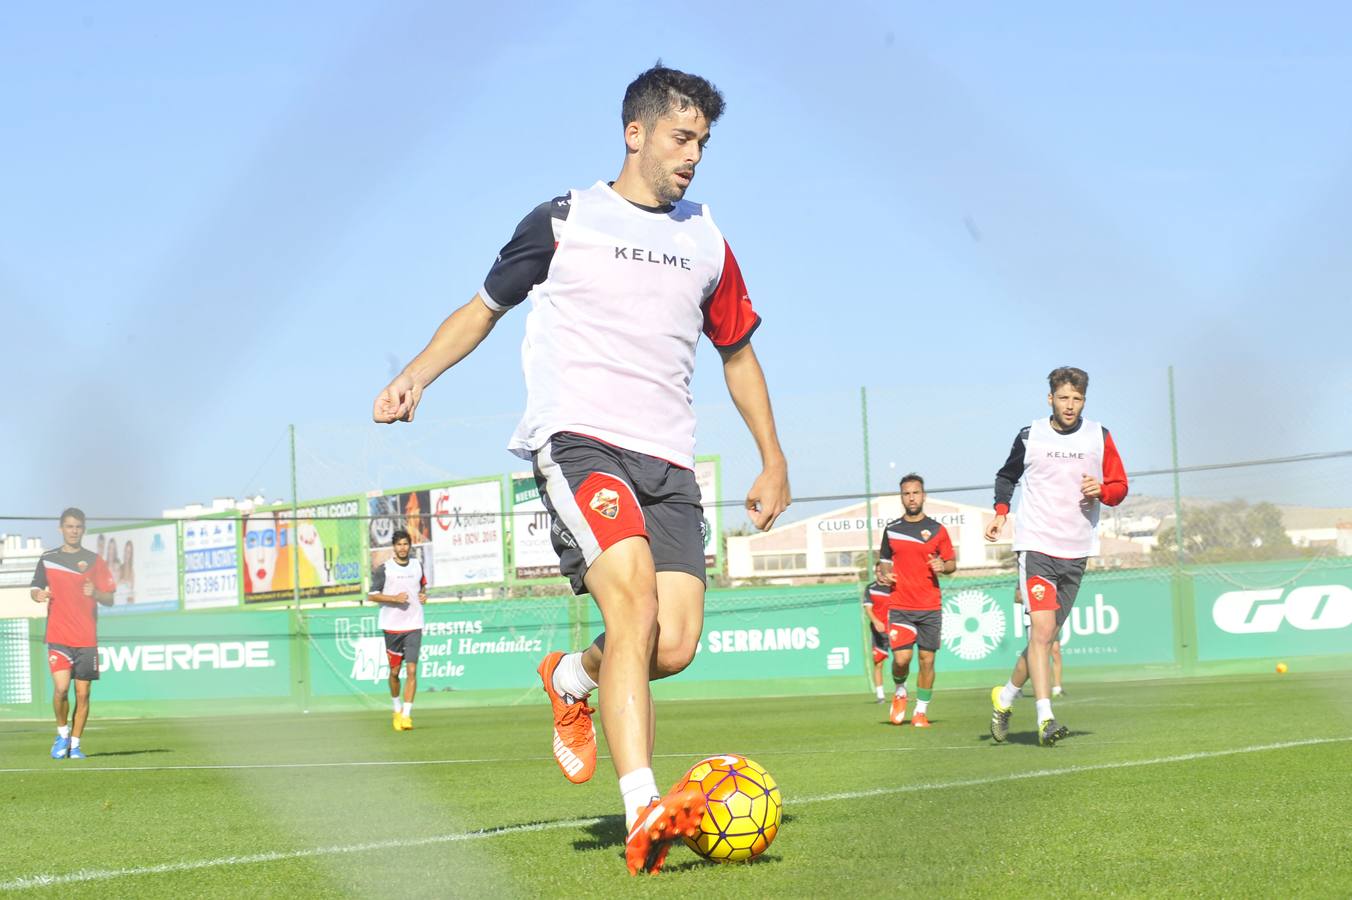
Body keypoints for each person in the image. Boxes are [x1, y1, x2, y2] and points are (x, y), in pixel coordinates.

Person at [372, 63, 790, 875]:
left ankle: (569, 677)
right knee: (630, 604)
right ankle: (644, 810)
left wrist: (772, 458)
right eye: (681, 137)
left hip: (670, 460)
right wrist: (416, 373)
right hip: (580, 441)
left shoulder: (707, 238)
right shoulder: (565, 219)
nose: (693, 156)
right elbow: (483, 308)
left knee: (673, 645)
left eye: (703, 142)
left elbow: (738, 354)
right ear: (635, 134)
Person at [984, 366, 1127, 746]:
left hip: (1076, 549)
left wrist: (1104, 490)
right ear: (1050, 398)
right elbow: (1006, 476)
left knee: (1043, 640)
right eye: (1063, 398)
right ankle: (1046, 718)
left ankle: (1006, 697)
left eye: (1077, 399)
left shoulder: (1100, 436)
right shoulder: (1030, 435)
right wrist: (1000, 512)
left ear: (1084, 401)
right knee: (1043, 633)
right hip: (1036, 545)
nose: (1070, 405)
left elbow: (1119, 486)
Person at [29, 508, 116, 759]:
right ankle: (62, 734)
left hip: (87, 638)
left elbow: (109, 598)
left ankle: (75, 745)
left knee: (84, 693)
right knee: (60, 689)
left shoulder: (95, 560)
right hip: (58, 635)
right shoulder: (48, 558)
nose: (74, 531)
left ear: (83, 529)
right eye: (69, 526)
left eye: (78, 527)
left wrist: (96, 593)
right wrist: (38, 595)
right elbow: (34, 588)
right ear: (61, 529)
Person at [875, 474, 955, 728]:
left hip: (930, 605)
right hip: (900, 605)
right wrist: (886, 573)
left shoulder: (937, 530)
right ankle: (900, 691)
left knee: (927, 660)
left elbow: (951, 563)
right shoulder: (892, 529)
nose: (911, 497)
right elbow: (885, 561)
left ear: (924, 496)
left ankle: (920, 711)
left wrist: (943, 565)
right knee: (901, 660)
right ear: (901, 497)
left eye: (915, 493)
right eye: (906, 493)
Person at [367, 529, 427, 731]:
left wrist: (423, 596)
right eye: (399, 544)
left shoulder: (418, 565)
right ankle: (396, 708)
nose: (402, 548)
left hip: (414, 624)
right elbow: (372, 595)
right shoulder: (384, 569)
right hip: (392, 627)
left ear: (410, 546)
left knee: (412, 670)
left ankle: (407, 715)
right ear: (394, 547)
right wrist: (394, 599)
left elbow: (422, 588)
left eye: (405, 544)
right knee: (394, 672)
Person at [862, 577, 891, 702]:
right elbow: (868, 609)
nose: (881, 573)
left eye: (883, 571)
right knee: (878, 663)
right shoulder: (871, 588)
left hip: (895, 628)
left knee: (902, 661)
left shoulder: (895, 586)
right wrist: (876, 622)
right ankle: (880, 695)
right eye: (879, 571)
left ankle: (901, 692)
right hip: (879, 630)